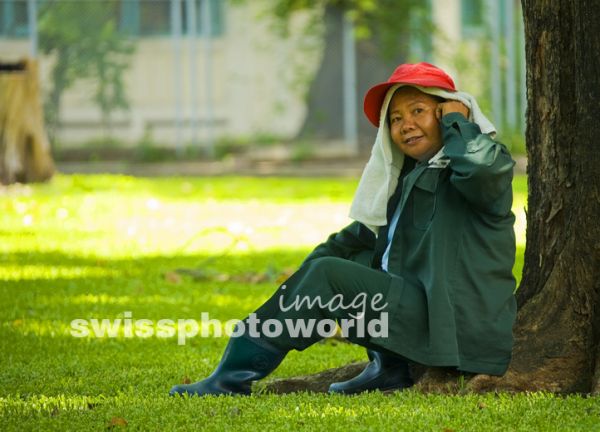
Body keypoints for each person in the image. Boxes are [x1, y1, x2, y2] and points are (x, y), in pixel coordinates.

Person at [169, 62, 517, 397]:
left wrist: (458, 120)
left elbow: (479, 170)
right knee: (348, 257)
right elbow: (356, 239)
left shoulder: (487, 162)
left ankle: (230, 379)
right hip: (426, 312)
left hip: (458, 326)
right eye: (395, 119)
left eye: (417, 111)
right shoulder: (410, 178)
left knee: (329, 275)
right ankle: (389, 366)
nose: (405, 125)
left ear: (445, 112)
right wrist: (299, 284)